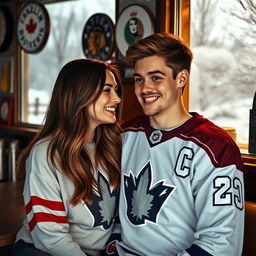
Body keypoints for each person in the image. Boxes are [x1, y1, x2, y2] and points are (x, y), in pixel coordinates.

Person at [105, 33, 244, 256]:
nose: (144, 88)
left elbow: (221, 244)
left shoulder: (216, 146)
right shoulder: (124, 134)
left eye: (156, 77)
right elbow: (112, 212)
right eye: (139, 79)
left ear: (181, 78)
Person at [13, 58, 123, 256]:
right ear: (80, 94)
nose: (117, 98)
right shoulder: (45, 153)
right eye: (107, 90)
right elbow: (50, 236)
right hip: (43, 251)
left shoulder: (114, 146)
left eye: (115, 90)